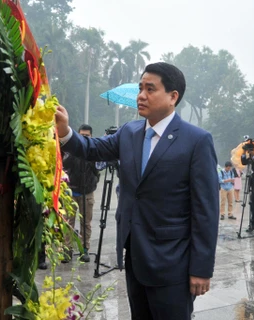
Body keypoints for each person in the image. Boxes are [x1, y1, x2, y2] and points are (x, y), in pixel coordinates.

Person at [55, 62, 219, 320]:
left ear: (173, 96)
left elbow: (206, 210)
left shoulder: (196, 140)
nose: (141, 95)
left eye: (150, 89)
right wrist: (64, 131)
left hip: (172, 263)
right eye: (140, 88)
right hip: (134, 256)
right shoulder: (129, 132)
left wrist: (201, 269)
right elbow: (93, 148)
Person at [62, 124, 101, 263]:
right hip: (71, 192)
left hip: (87, 192)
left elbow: (100, 168)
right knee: (68, 223)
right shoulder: (70, 150)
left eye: (87, 136)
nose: (84, 138)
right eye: (82, 135)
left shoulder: (94, 151)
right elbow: (63, 166)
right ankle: (67, 250)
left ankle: (85, 249)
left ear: (91, 136)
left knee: (86, 223)